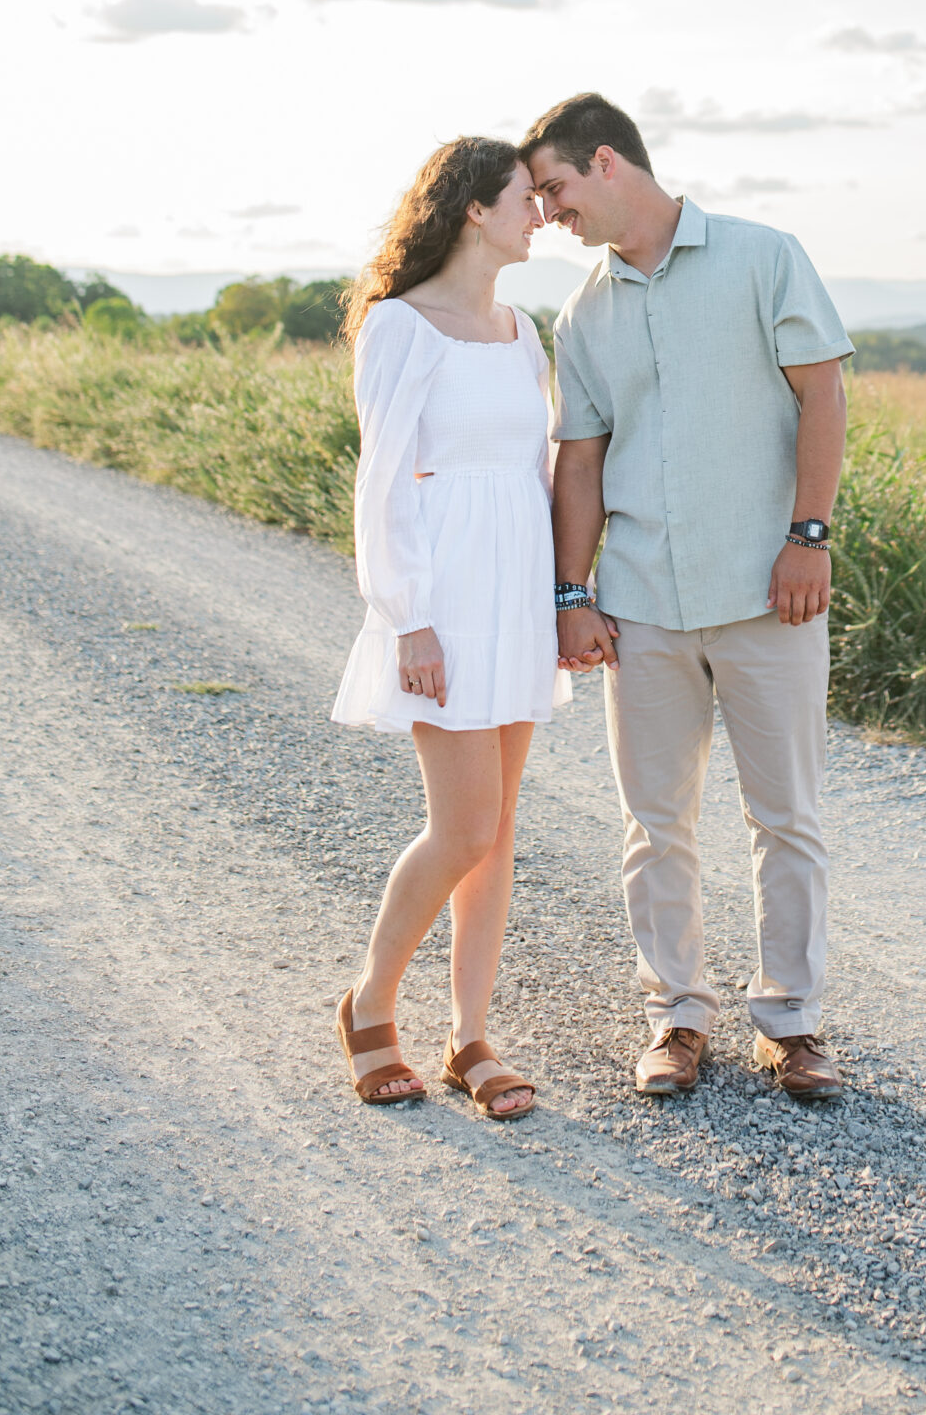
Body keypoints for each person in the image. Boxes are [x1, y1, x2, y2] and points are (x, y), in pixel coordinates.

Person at [523, 91, 853, 1102]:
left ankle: (789, 1022)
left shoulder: (763, 256)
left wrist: (808, 537)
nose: (546, 214)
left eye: (555, 189)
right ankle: (675, 1014)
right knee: (653, 820)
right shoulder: (583, 311)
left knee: (784, 815)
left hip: (769, 592)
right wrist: (570, 592)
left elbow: (823, 397)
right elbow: (576, 462)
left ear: (608, 162)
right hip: (643, 605)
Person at [330, 135, 570, 1116]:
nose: (539, 213)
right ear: (473, 207)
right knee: (462, 822)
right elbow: (381, 484)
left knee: (498, 830)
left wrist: (565, 598)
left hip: (515, 589)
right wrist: (408, 618)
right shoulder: (400, 326)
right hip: (444, 598)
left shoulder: (523, 332)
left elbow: (542, 475)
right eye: (524, 196)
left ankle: (470, 1034)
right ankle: (369, 1002)